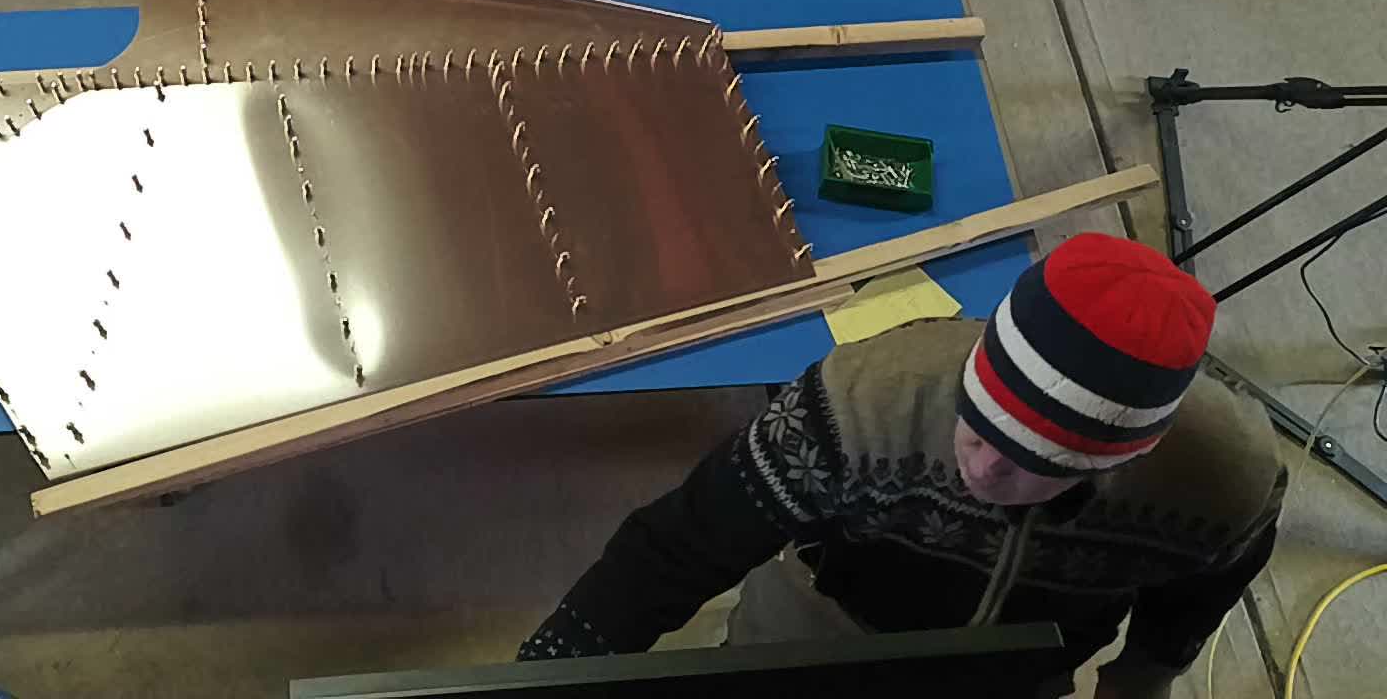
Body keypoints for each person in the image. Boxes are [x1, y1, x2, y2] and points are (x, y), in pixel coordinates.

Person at [518, 233, 1284, 699]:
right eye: (980, 421)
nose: (986, 470)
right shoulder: (859, 403)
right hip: (807, 642)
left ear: (1131, 454)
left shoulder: (1225, 483)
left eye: (1035, 461)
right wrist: (550, 666)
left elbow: (1191, 604)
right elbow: (682, 544)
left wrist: (1140, 682)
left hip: (1016, 676)